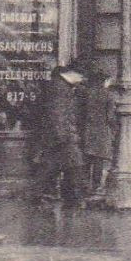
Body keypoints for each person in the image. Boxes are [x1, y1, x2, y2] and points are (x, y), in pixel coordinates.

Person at [34, 64, 88, 206]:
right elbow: (57, 114)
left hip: (59, 135)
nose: (82, 80)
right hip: (62, 136)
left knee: (53, 166)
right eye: (81, 76)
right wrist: (64, 136)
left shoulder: (60, 86)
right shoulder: (59, 88)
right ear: (71, 73)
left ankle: (42, 195)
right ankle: (74, 198)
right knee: (74, 164)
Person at [80, 62, 118, 197]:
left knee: (86, 160)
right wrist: (114, 131)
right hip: (102, 131)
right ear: (104, 81)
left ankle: (83, 187)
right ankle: (96, 187)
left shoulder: (86, 93)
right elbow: (110, 116)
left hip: (87, 130)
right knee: (98, 160)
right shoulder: (108, 95)